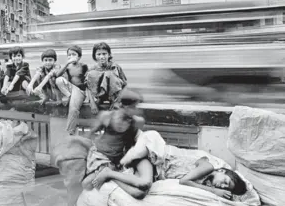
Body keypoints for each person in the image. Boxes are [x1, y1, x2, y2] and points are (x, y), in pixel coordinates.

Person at [95, 130, 248, 200]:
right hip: (153, 157)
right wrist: (214, 192)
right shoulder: (207, 166)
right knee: (145, 183)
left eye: (225, 188)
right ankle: (110, 172)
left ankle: (111, 175)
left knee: (139, 194)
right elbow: (184, 181)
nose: (222, 186)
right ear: (222, 170)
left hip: (156, 171)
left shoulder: (203, 183)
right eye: (226, 182)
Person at [81, 109, 144, 191]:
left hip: (110, 162)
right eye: (118, 124)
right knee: (84, 182)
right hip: (97, 154)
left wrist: (123, 163)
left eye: (123, 125)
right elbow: (90, 132)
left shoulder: (133, 128)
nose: (120, 127)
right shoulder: (108, 117)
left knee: (86, 184)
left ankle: (109, 175)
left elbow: (132, 148)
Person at [54, 45, 89, 135]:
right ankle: (69, 96)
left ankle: (70, 131)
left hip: (79, 90)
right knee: (58, 80)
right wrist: (66, 64)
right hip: (70, 89)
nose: (71, 57)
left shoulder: (83, 66)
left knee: (73, 109)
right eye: (69, 55)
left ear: (79, 57)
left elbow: (88, 83)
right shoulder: (68, 67)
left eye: (74, 54)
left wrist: (91, 100)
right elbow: (57, 75)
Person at [86, 42, 128, 112]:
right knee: (91, 74)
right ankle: (99, 99)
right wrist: (92, 103)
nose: (102, 57)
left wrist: (117, 101)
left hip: (114, 96)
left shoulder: (115, 67)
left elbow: (124, 84)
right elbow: (88, 87)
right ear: (94, 56)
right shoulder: (92, 69)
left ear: (109, 55)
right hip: (99, 96)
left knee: (108, 74)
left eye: (104, 54)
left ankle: (113, 100)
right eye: (99, 54)